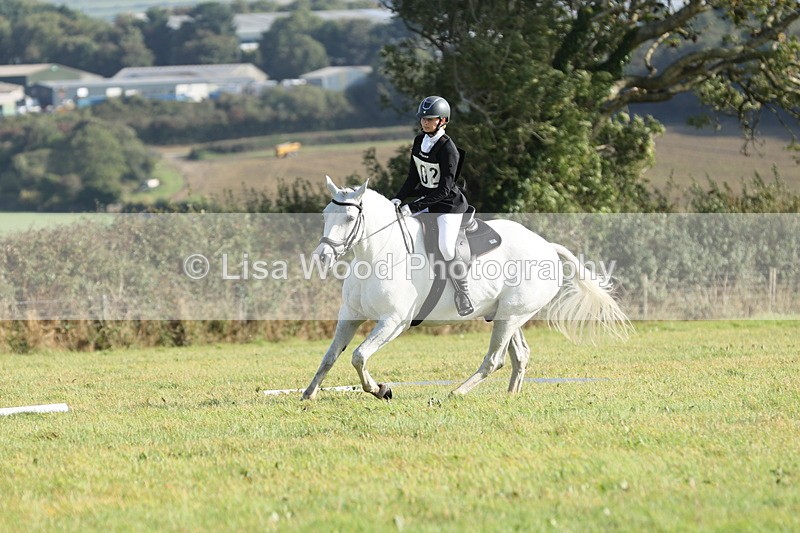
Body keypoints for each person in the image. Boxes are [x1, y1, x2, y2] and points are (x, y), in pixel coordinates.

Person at [391, 95, 474, 316]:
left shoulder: (449, 149)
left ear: (443, 120)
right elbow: (412, 177)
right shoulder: (419, 141)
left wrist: (415, 207)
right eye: (423, 119)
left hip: (448, 205)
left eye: (430, 119)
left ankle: (462, 292)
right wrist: (399, 198)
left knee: (446, 246)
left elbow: (445, 189)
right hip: (428, 200)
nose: (425, 122)